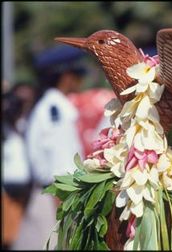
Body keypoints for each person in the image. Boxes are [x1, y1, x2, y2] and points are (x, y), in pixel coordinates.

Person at [26, 45, 86, 189]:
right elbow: (62, 164)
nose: (81, 81)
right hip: (62, 188)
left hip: (61, 186)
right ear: (67, 78)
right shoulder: (55, 109)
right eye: (78, 75)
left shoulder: (53, 105)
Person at [2, 91, 32, 249]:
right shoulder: (13, 128)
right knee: (9, 229)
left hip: (21, 182)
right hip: (10, 183)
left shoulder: (23, 125)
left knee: (15, 227)